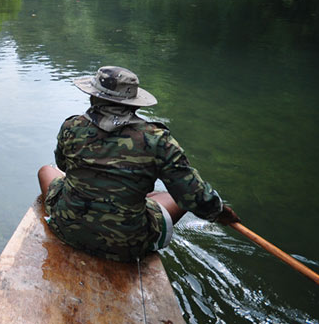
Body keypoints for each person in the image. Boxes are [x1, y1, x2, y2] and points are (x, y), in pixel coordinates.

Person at [37, 66, 239, 262]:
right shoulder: (158, 140)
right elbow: (194, 197)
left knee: (46, 171)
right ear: (134, 104)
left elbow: (62, 166)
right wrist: (220, 212)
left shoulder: (71, 127)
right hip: (126, 245)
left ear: (94, 97)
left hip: (66, 228)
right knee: (176, 196)